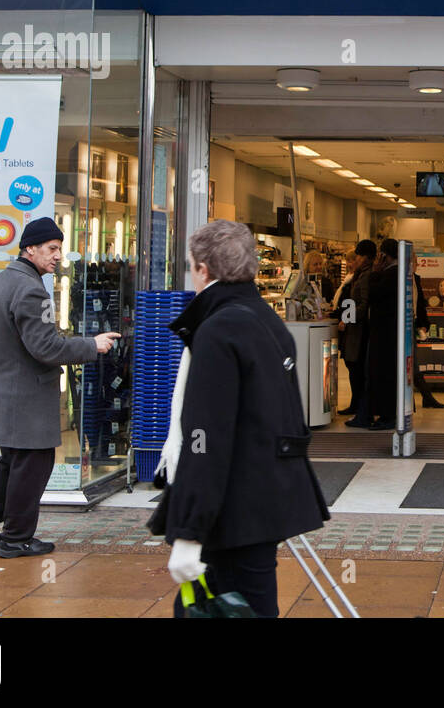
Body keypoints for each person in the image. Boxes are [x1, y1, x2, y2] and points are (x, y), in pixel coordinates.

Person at [162, 219, 329, 617]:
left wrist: (189, 531)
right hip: (260, 503)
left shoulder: (219, 330)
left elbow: (206, 438)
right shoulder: (267, 323)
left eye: (191, 266)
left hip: (230, 514)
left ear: (203, 269)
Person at [0, 217, 120, 558]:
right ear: (30, 248)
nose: (57, 257)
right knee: (32, 466)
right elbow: (46, 348)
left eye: (59, 250)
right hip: (27, 396)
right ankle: (16, 539)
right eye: (51, 249)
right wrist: (91, 346)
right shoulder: (31, 289)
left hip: (3, 390)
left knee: (10, 463)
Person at [350, 237, 400, 429]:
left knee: (379, 373)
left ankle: (381, 415)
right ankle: (367, 412)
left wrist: (375, 274)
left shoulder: (386, 274)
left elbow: (371, 295)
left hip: (383, 331)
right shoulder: (395, 273)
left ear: (384, 256)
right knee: (375, 373)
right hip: (386, 331)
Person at [334, 239, 376, 416]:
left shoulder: (366, 275)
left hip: (360, 330)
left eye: (358, 256)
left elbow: (365, 303)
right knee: (354, 368)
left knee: (356, 367)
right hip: (356, 328)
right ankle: (356, 403)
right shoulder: (360, 273)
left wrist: (347, 317)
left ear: (365, 257)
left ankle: (358, 405)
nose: (355, 259)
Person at [408, 244, 444, 409]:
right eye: (412, 262)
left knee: (413, 363)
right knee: (413, 364)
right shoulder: (401, 281)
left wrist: (424, 324)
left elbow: (420, 304)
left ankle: (426, 397)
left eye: (415, 262)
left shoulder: (415, 279)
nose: (414, 265)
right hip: (405, 327)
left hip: (412, 325)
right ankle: (427, 397)